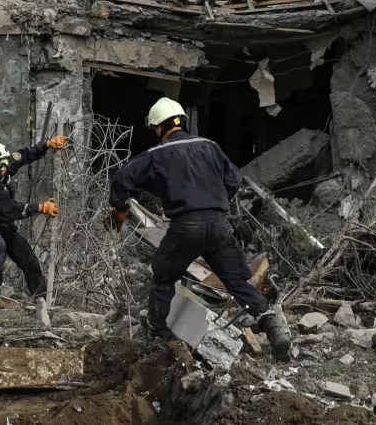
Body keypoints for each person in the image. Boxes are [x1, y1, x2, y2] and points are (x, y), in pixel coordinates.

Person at [106, 97, 292, 361]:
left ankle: (157, 333)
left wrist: (119, 210)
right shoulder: (210, 146)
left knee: (162, 277)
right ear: (181, 121)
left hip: (184, 228)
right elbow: (234, 179)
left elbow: (122, 178)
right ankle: (271, 324)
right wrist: (215, 203)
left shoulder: (155, 155)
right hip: (218, 226)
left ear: (158, 127)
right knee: (238, 281)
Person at [0, 136, 67, 302]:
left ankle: (44, 299)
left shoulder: (4, 165)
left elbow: (24, 155)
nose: (3, 168)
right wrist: (40, 207)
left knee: (29, 259)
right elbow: (10, 209)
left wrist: (46, 144)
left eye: (4, 162)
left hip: (6, 226)